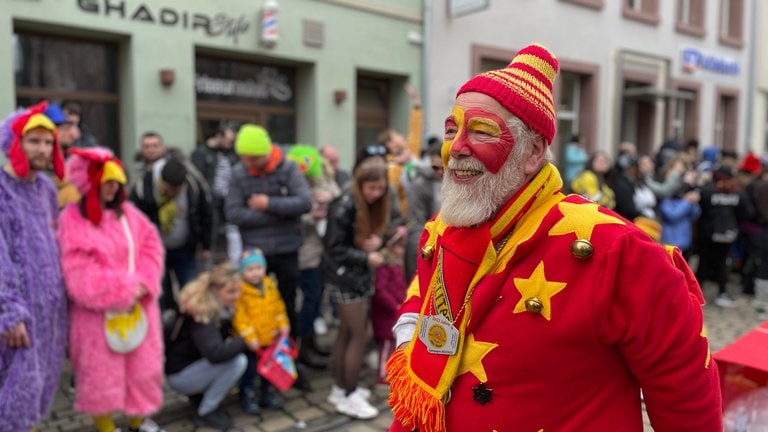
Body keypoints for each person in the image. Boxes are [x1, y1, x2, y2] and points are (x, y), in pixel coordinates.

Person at [386, 43, 721, 432]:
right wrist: (409, 335)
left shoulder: (613, 248)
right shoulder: (443, 227)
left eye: (480, 131)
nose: (456, 148)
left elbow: (686, 392)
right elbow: (422, 291)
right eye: (450, 130)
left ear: (533, 152)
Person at [57, 147, 166, 432]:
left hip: (138, 310)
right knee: (99, 377)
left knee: (141, 371)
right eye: (106, 182)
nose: (112, 188)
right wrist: (125, 288)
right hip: (95, 318)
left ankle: (138, 422)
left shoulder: (129, 214)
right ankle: (106, 427)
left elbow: (151, 246)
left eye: (116, 182)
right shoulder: (72, 219)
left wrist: (145, 280)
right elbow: (79, 274)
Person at [0, 101, 68, 432]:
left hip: (49, 316)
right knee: (11, 401)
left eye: (48, 142)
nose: (43, 149)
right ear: (16, 143)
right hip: (17, 319)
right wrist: (9, 311)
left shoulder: (44, 189)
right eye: (34, 141)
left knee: (37, 395)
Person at [323, 155, 401, 419]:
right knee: (358, 335)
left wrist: (375, 242)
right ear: (360, 184)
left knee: (349, 333)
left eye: (381, 188)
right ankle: (348, 394)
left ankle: (340, 388)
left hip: (356, 275)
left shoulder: (369, 204)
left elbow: (361, 239)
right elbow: (333, 249)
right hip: (345, 277)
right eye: (372, 188)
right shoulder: (344, 204)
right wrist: (366, 257)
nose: (377, 194)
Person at [164, 263, 248, 431]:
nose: (237, 296)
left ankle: (198, 397)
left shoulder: (210, 303)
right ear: (216, 291)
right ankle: (207, 411)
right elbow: (215, 354)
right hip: (181, 376)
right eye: (231, 292)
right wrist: (244, 340)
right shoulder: (204, 315)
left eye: (239, 290)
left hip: (185, 365)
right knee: (238, 362)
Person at [130, 157, 213, 311]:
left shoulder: (193, 187)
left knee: (191, 292)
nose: (171, 193)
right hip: (155, 253)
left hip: (185, 250)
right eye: (167, 188)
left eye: (175, 190)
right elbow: (134, 219)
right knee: (160, 295)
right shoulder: (144, 187)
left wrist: (206, 245)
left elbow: (206, 214)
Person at [232, 248, 290, 414]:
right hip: (252, 342)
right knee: (250, 370)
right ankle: (248, 394)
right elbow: (240, 317)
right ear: (242, 272)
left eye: (258, 268)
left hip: (270, 337)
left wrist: (283, 323)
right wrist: (249, 337)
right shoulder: (240, 291)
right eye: (249, 270)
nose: (255, 273)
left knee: (270, 368)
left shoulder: (270, 285)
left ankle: (267, 393)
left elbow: (278, 306)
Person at [191, 122, 241, 265]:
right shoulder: (201, 153)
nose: (231, 144)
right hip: (211, 201)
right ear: (219, 136)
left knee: (233, 234)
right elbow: (198, 179)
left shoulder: (231, 155)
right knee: (210, 234)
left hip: (229, 201)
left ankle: (233, 264)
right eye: (230, 140)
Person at [377, 84, 423, 215]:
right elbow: (393, 191)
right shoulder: (388, 165)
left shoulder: (409, 152)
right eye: (396, 135)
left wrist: (416, 104)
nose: (402, 136)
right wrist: (399, 164)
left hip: (419, 211)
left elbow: (415, 131)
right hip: (403, 216)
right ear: (390, 144)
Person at [371, 225, 408, 384]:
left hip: (395, 312)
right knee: (386, 345)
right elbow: (380, 290)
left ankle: (392, 370)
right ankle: (382, 375)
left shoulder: (397, 263)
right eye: (399, 246)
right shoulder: (384, 265)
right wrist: (394, 306)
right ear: (391, 246)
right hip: (386, 314)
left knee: (393, 343)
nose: (402, 250)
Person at [404, 142, 444, 282]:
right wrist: (423, 254)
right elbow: (415, 224)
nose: (440, 172)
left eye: (444, 168)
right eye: (435, 167)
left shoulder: (457, 180)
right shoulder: (419, 185)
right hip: (428, 247)